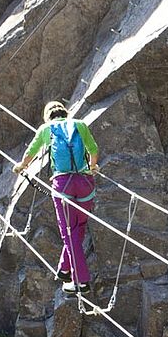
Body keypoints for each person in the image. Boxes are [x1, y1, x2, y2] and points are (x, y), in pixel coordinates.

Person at [16, 100, 100, 294]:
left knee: (69, 233)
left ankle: (81, 281)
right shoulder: (80, 125)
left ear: (48, 117)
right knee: (77, 229)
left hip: (63, 186)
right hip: (85, 184)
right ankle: (64, 269)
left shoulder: (46, 129)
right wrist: (93, 167)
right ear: (65, 114)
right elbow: (93, 150)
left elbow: (31, 152)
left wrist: (21, 166)